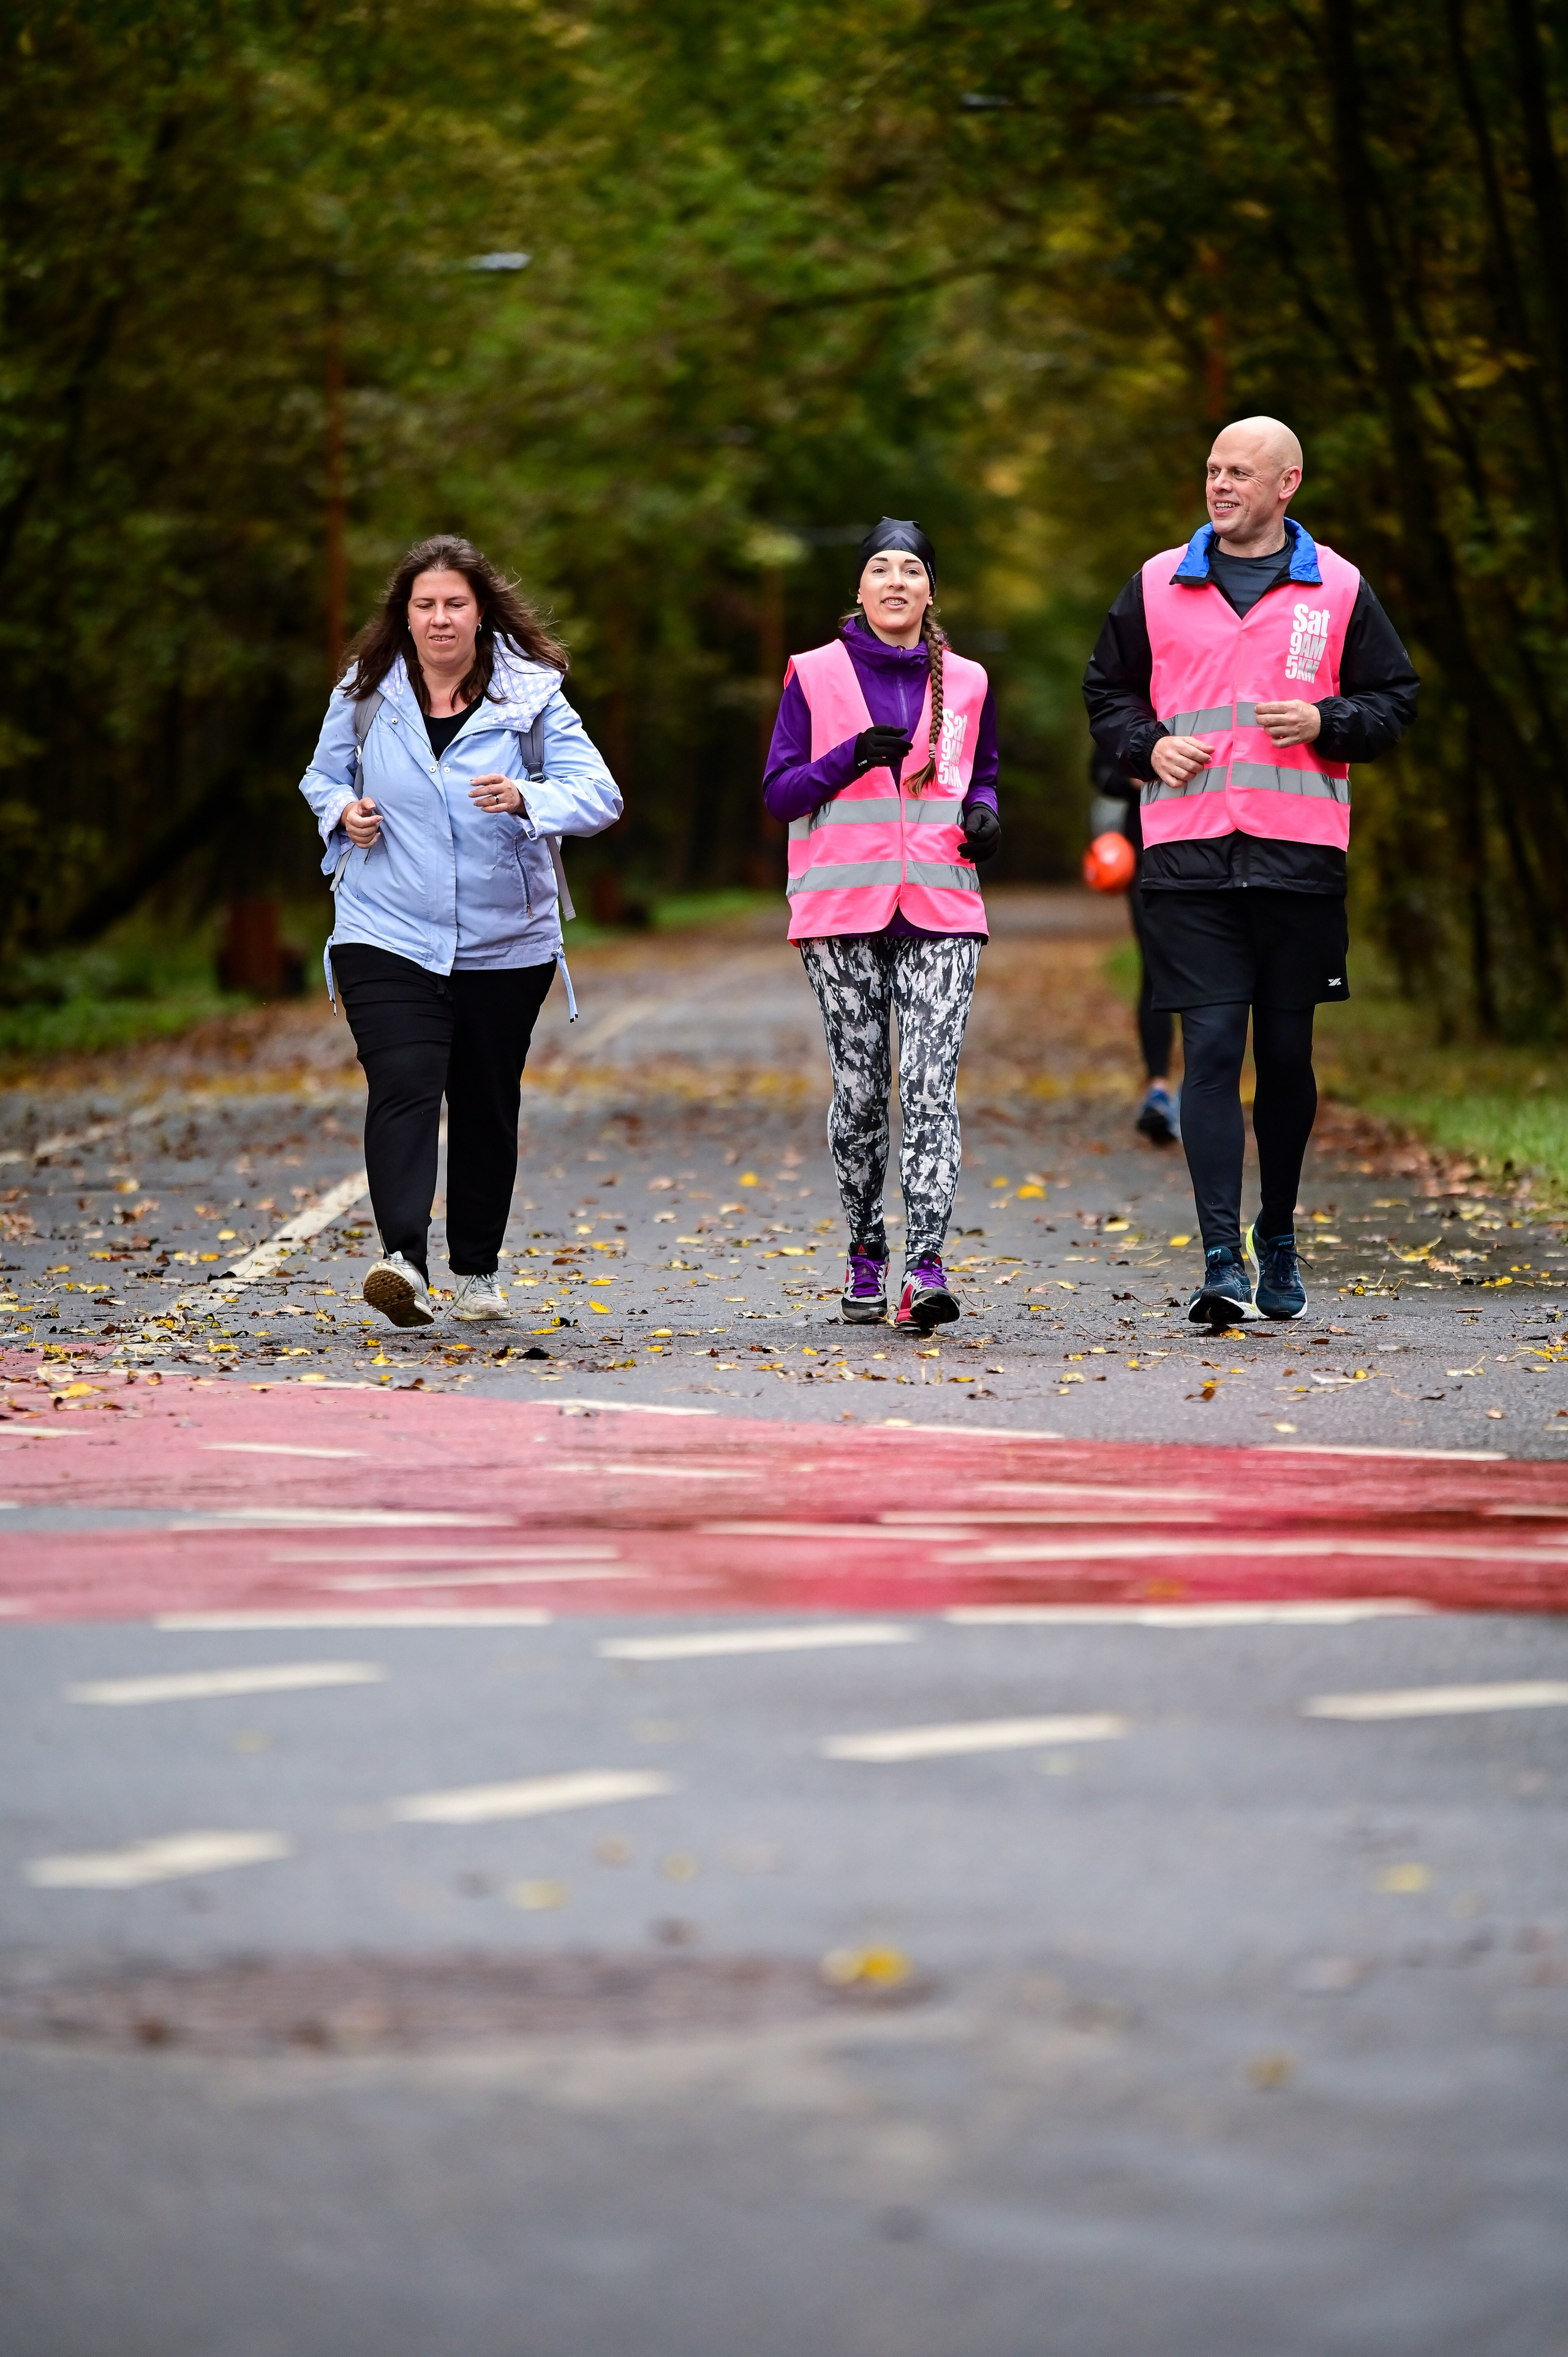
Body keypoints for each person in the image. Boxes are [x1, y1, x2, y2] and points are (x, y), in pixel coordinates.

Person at [1083, 417, 1418, 1326]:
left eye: (1239, 472)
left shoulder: (1338, 586)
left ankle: (1278, 1235)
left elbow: (1396, 700)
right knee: (1213, 1046)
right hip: (1187, 857)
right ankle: (1221, 1258)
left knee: (1285, 1056)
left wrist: (1329, 723)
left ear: (1287, 484)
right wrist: (1149, 747)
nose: (1220, 485)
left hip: (1297, 857)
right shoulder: (1158, 583)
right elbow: (1105, 692)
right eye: (1212, 470)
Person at [298, 534, 620, 1329]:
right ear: (404, 618)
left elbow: (598, 794)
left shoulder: (531, 697)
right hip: (385, 926)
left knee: (484, 1101)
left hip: (504, 940)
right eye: (425, 605)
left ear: (482, 613)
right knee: (405, 1080)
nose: (440, 618)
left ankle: (475, 1269)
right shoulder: (367, 690)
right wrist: (343, 812)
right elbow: (322, 773)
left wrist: (527, 798)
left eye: (455, 604)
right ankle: (403, 1261)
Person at [763, 517, 1000, 1332]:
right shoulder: (814, 675)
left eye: (912, 569)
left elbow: (986, 774)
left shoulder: (965, 681)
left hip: (942, 905)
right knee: (863, 1096)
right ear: (859, 589)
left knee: (931, 1092)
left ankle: (924, 1268)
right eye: (880, 569)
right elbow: (781, 793)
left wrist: (985, 813)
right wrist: (849, 758)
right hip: (841, 911)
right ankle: (867, 1251)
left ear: (931, 589)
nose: (896, 581)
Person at [1090, 746, 1180, 1146]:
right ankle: (1159, 1090)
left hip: (1212, 850)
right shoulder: (1138, 693)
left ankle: (1205, 1092)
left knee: (1208, 975)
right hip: (1145, 853)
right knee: (1157, 968)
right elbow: (1100, 770)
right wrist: (1133, 775)